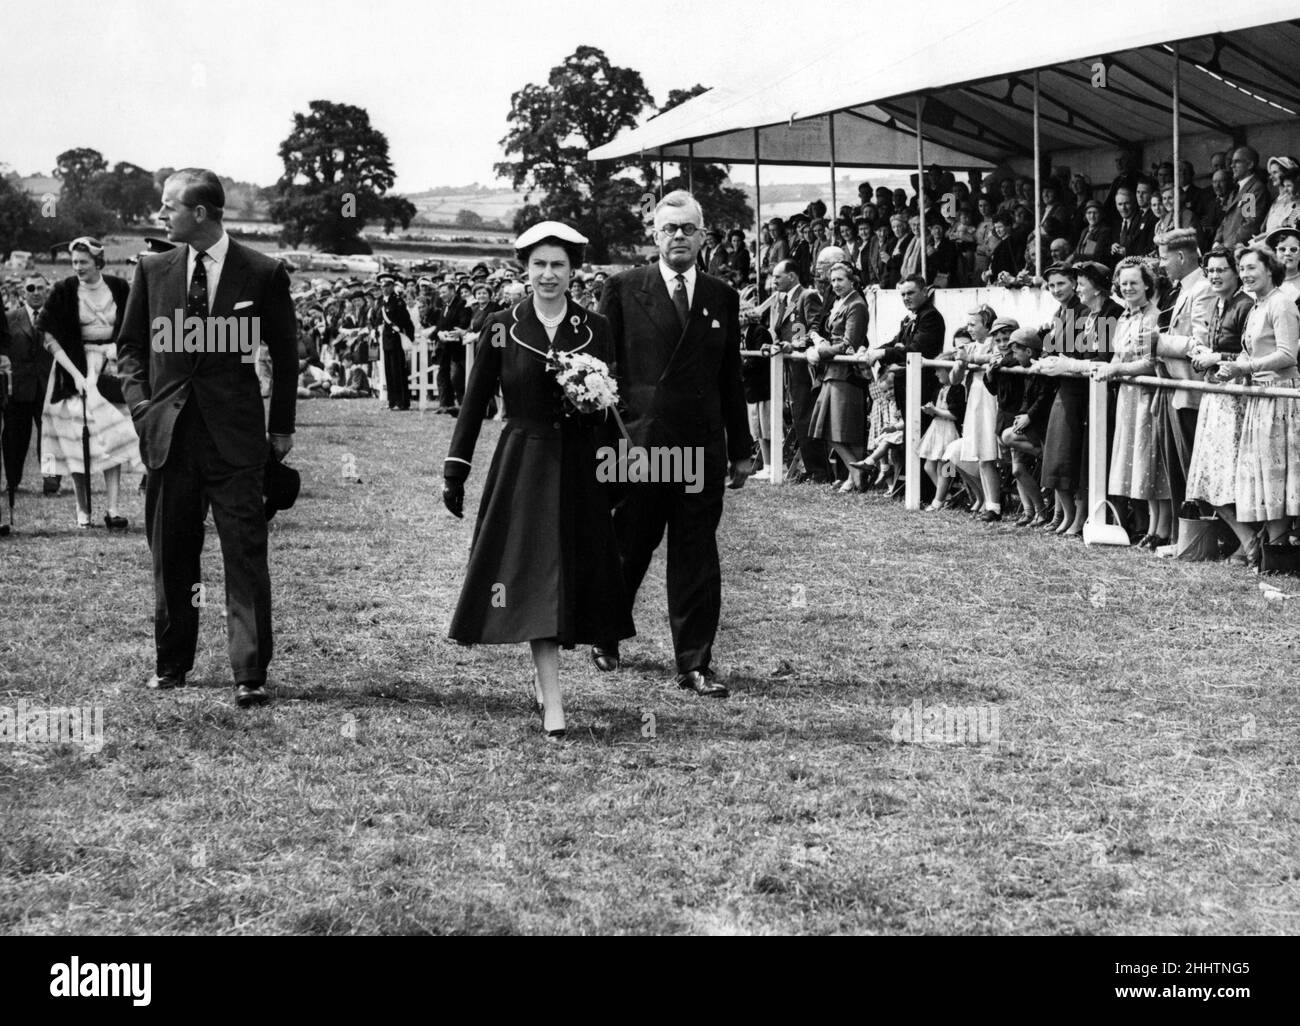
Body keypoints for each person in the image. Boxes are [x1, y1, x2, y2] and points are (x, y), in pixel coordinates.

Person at [442, 222, 633, 740]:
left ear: (574, 272)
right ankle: (554, 700)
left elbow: (611, 402)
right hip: (523, 461)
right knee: (531, 576)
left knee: (567, 574)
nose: (549, 275)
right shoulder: (502, 325)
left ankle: (547, 681)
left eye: (559, 266)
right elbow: (476, 401)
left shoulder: (595, 326)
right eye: (539, 265)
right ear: (525, 270)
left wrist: (611, 449)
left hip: (580, 466)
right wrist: (455, 469)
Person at [117, 168, 298, 707]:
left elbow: (286, 358)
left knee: (244, 555)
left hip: (236, 441)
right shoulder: (153, 269)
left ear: (200, 212)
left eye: (168, 206)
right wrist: (142, 409)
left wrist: (281, 427)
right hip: (168, 439)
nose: (161, 215)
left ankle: (249, 672)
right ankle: (172, 664)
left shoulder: (263, 272)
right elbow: (130, 349)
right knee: (171, 553)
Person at [595, 190, 753, 698]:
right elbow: (605, 373)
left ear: (704, 235)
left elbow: (731, 377)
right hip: (642, 447)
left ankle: (695, 663)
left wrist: (742, 448)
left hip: (701, 448)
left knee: (696, 556)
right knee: (630, 546)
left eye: (688, 228)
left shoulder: (721, 296)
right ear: (654, 235)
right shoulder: (622, 289)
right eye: (669, 229)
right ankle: (605, 632)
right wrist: (611, 443)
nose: (678, 237)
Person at [37, 238, 143, 530]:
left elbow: (133, 325)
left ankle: (113, 508)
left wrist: (116, 350)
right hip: (73, 369)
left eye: (83, 262)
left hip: (110, 368)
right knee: (77, 441)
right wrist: (76, 375)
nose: (78, 267)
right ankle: (83, 511)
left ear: (98, 262)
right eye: (74, 263)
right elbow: (48, 335)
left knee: (112, 438)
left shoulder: (119, 288)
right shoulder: (64, 290)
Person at [1216, 242, 1300, 553]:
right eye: (1242, 269)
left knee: (1277, 474)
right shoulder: (1257, 306)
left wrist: (1245, 366)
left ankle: (1277, 550)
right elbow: (1251, 350)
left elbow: (1287, 353)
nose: (1245, 274)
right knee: (1263, 473)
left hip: (1280, 396)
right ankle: (1271, 549)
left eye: (1252, 267)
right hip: (1260, 396)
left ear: (1269, 269)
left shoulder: (1282, 304)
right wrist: (1229, 367)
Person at [1092, 257, 1169, 548]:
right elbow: (1117, 356)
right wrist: (1110, 366)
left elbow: (1150, 363)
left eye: (1134, 283)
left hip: (1147, 395)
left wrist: (1117, 369)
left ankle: (1160, 529)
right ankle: (1150, 528)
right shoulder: (1124, 317)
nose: (1128, 288)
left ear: (1147, 284)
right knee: (1137, 463)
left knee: (1151, 462)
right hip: (1127, 395)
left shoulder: (1154, 316)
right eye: (1123, 284)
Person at [1147, 228, 1217, 538]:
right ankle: (1181, 535)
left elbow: (1200, 343)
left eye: (1163, 258)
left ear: (1180, 256)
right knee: (1177, 467)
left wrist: (1158, 343)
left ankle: (1198, 536)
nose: (1161, 265)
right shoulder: (1180, 289)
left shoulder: (1202, 289)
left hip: (1191, 390)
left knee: (1192, 467)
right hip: (1173, 387)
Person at [1184, 248, 1253, 557]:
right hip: (1215, 395)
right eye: (1210, 271)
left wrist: (1218, 357)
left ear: (1235, 272)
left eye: (1221, 270)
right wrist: (1203, 354)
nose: (1215, 275)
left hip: (1236, 398)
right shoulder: (1218, 304)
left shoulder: (1245, 305)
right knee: (1209, 478)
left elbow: (1252, 353)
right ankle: (1246, 540)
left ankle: (1249, 541)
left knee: (1226, 477)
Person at [1036, 262, 1114, 535]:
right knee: (1059, 458)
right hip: (1066, 388)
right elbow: (1052, 348)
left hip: (1082, 391)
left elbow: (1094, 357)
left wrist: (1063, 361)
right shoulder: (1063, 312)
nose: (1057, 290)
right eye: (1052, 285)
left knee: (1075, 460)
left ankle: (1077, 518)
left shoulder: (1091, 312)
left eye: (1064, 284)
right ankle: (1065, 516)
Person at [764, 258, 829, 482]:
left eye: (777, 277)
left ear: (791, 276)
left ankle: (818, 470)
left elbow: (811, 327)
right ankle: (809, 468)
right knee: (797, 417)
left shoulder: (806, 296)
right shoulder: (784, 300)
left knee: (805, 416)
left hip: (803, 369)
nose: (773, 282)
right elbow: (787, 330)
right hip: (790, 367)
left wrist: (796, 344)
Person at [807, 262, 868, 492]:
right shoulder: (838, 302)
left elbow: (849, 343)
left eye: (840, 280)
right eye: (832, 281)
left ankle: (855, 475)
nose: (835, 285)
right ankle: (854, 472)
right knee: (829, 429)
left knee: (844, 429)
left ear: (852, 281)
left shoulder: (857, 305)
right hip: (832, 372)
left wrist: (821, 352)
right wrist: (815, 340)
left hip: (846, 373)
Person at [0, 275, 54, 530]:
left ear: (47, 291)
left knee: (50, 435)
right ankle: (12, 481)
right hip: (19, 388)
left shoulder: (54, 317)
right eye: (30, 288)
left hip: (47, 386)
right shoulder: (11, 318)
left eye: (39, 288)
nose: (35, 292)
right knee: (15, 438)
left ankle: (51, 479)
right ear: (23, 292)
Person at [917, 356, 965, 511]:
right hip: (937, 429)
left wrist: (935, 410)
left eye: (939, 370)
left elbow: (955, 414)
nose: (936, 373)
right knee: (929, 466)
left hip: (950, 429)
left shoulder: (958, 389)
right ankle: (948, 495)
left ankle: (938, 501)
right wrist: (930, 410)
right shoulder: (939, 388)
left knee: (945, 467)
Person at [1216, 147, 1270, 248]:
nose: (1232, 166)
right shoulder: (1236, 190)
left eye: (1237, 162)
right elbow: (1226, 220)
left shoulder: (1253, 189)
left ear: (1250, 165)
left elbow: (1249, 225)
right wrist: (1217, 241)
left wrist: (1225, 246)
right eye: (1232, 162)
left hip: (1238, 250)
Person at [375, 272, 414, 411]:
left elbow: (405, 320)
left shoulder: (397, 301)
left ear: (392, 286)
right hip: (386, 339)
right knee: (389, 372)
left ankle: (402, 402)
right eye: (382, 286)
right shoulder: (381, 301)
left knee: (398, 371)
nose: (384, 288)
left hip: (396, 338)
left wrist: (409, 336)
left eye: (387, 286)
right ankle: (392, 401)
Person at [434, 280, 472, 414]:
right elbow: (439, 324)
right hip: (444, 346)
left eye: (444, 292)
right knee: (442, 375)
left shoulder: (462, 305)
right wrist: (439, 332)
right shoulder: (445, 306)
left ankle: (463, 405)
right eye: (440, 293)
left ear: (452, 291)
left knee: (457, 377)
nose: (441, 295)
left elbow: (463, 323)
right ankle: (445, 404)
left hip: (458, 348)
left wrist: (448, 333)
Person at [1072, 200, 1114, 268]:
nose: (1092, 216)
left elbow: (1092, 255)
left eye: (1095, 213)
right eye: (1089, 213)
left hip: (1095, 267)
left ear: (1101, 214)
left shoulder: (1104, 231)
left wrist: (1075, 256)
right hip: (1081, 264)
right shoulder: (1085, 231)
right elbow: (1078, 250)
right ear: (1085, 215)